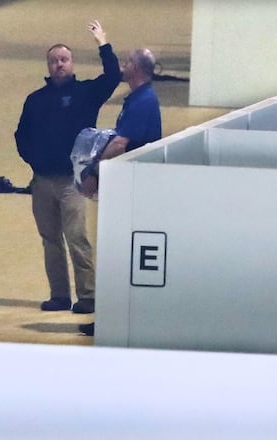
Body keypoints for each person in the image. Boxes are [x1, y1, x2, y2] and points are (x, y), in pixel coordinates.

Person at [15, 20, 121, 314]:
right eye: (54, 61)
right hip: (42, 180)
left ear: (72, 63)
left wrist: (103, 42)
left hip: (72, 181)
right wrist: (34, 161)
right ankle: (59, 295)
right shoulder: (35, 100)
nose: (59, 65)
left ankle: (87, 295)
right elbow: (21, 136)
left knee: (77, 238)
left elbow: (113, 76)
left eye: (64, 60)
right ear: (48, 66)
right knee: (50, 239)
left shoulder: (86, 94)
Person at [78, 48, 163, 336]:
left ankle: (113, 320)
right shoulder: (142, 99)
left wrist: (93, 173)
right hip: (132, 189)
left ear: (136, 69)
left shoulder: (142, 101)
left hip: (131, 191)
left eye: (126, 62)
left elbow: (120, 143)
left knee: (116, 258)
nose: (123, 66)